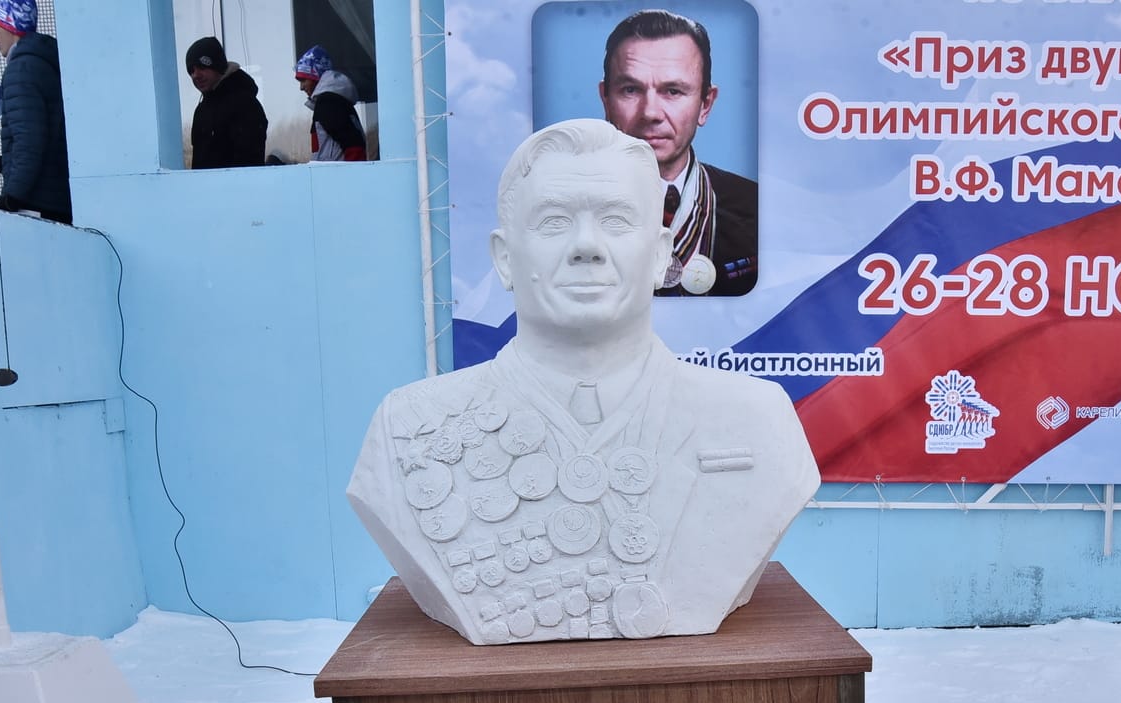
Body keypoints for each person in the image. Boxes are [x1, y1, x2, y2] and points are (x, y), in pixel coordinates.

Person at [347, 119, 817, 645]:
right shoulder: (409, 431)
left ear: (661, 254)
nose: (586, 246)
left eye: (616, 220)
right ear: (504, 258)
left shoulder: (757, 419)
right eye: (553, 222)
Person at [598, 9, 757, 297]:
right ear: (606, 100)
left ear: (705, 104)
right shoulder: (557, 207)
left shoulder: (756, 207)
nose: (650, 113)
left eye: (672, 91)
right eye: (631, 90)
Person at [0, 0, 72, 223]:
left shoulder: (20, 69)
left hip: (36, 202)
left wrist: (12, 195)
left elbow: (29, 139)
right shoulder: (45, 63)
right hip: (58, 196)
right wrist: (8, 162)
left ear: (11, 25)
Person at [185, 36, 267, 169]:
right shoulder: (201, 110)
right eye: (191, 71)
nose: (196, 75)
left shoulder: (245, 105)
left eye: (201, 67)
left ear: (218, 66)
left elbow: (249, 164)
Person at [294, 46, 368, 162]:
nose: (301, 87)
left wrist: (352, 173)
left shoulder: (328, 103)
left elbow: (354, 147)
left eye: (304, 80)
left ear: (316, 77)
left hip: (337, 173)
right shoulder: (336, 101)